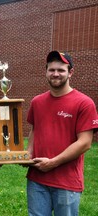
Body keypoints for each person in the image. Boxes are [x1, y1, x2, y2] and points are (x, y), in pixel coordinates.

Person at [26, 50, 98, 216]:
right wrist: (28, 154)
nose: (55, 74)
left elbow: (85, 142)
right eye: (52, 70)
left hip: (66, 182)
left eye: (61, 70)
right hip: (37, 180)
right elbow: (35, 129)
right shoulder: (37, 102)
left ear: (70, 72)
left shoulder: (84, 103)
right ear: (46, 71)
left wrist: (52, 162)